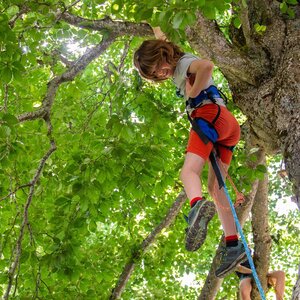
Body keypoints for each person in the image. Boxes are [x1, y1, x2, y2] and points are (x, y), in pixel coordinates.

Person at [133, 27, 246, 277]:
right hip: (226, 127)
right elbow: (163, 41)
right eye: (154, 73)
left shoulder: (183, 63)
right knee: (216, 189)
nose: (159, 72)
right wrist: (155, 26)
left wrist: (193, 96)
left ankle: (195, 207)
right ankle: (232, 244)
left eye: (157, 66)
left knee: (188, 172)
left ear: (163, 54)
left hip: (208, 116)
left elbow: (207, 66)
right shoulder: (177, 62)